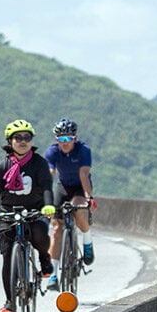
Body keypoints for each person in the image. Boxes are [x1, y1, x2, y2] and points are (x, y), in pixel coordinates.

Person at [0, 119, 55, 312]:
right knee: (7, 257)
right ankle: (10, 301)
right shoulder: (2, 165)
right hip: (8, 212)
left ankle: (44, 256)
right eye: (18, 138)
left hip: (34, 210)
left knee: (39, 233)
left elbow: (47, 186)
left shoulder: (39, 163)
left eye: (27, 137)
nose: (22, 141)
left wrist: (48, 205)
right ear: (10, 141)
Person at [44, 117, 96, 291]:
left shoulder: (83, 150)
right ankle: (53, 275)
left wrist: (88, 198)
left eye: (68, 139)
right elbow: (49, 176)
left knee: (78, 210)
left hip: (80, 188)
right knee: (57, 228)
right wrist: (43, 199)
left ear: (75, 138)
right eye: (61, 139)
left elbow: (84, 175)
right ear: (56, 139)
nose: (65, 143)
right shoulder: (52, 152)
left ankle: (87, 243)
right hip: (63, 187)